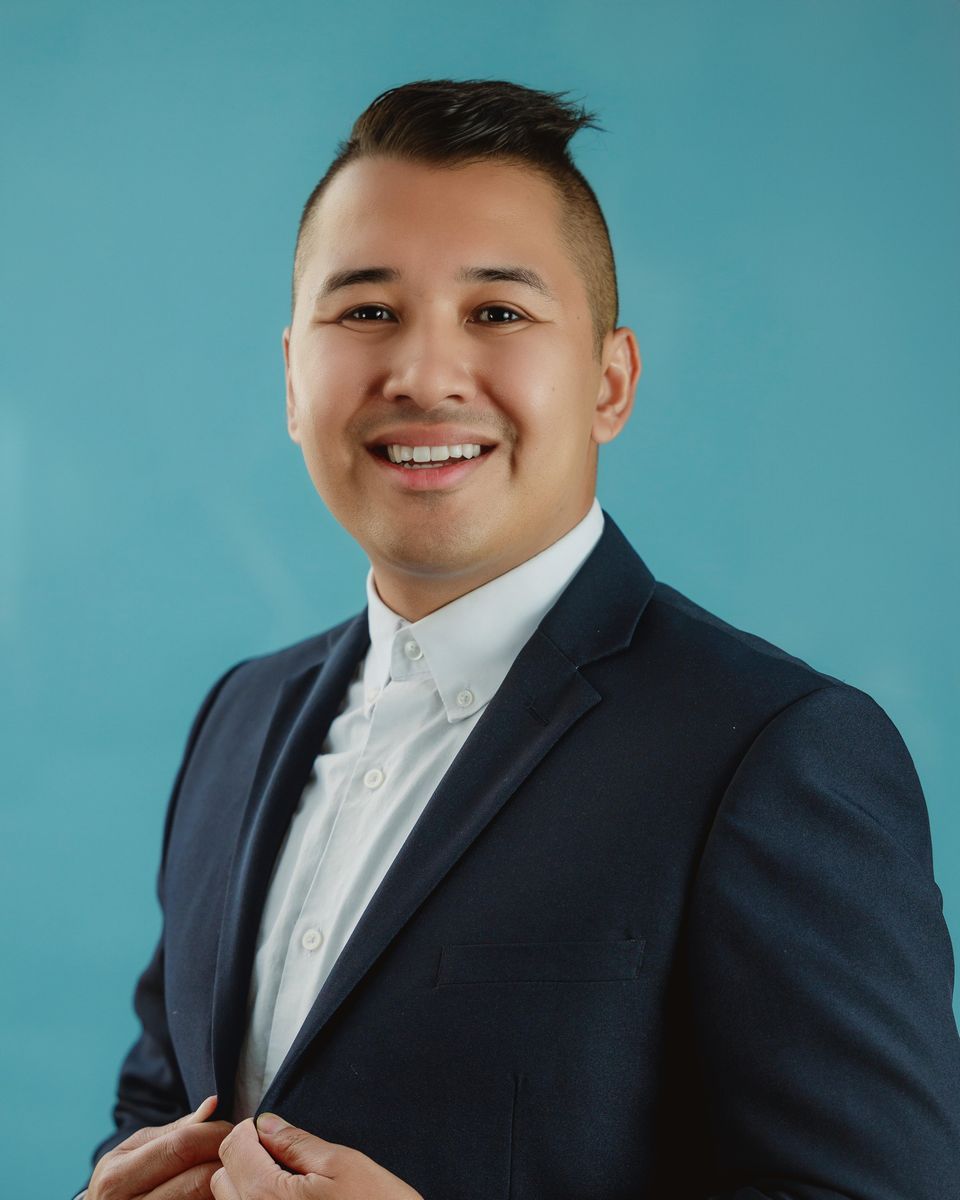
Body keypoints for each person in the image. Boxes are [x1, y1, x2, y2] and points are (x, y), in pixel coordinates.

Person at [77, 78, 960, 1200]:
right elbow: (158, 1105)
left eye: (497, 313)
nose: (422, 375)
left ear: (610, 382)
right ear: (292, 379)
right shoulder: (239, 715)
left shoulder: (777, 750)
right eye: (367, 312)